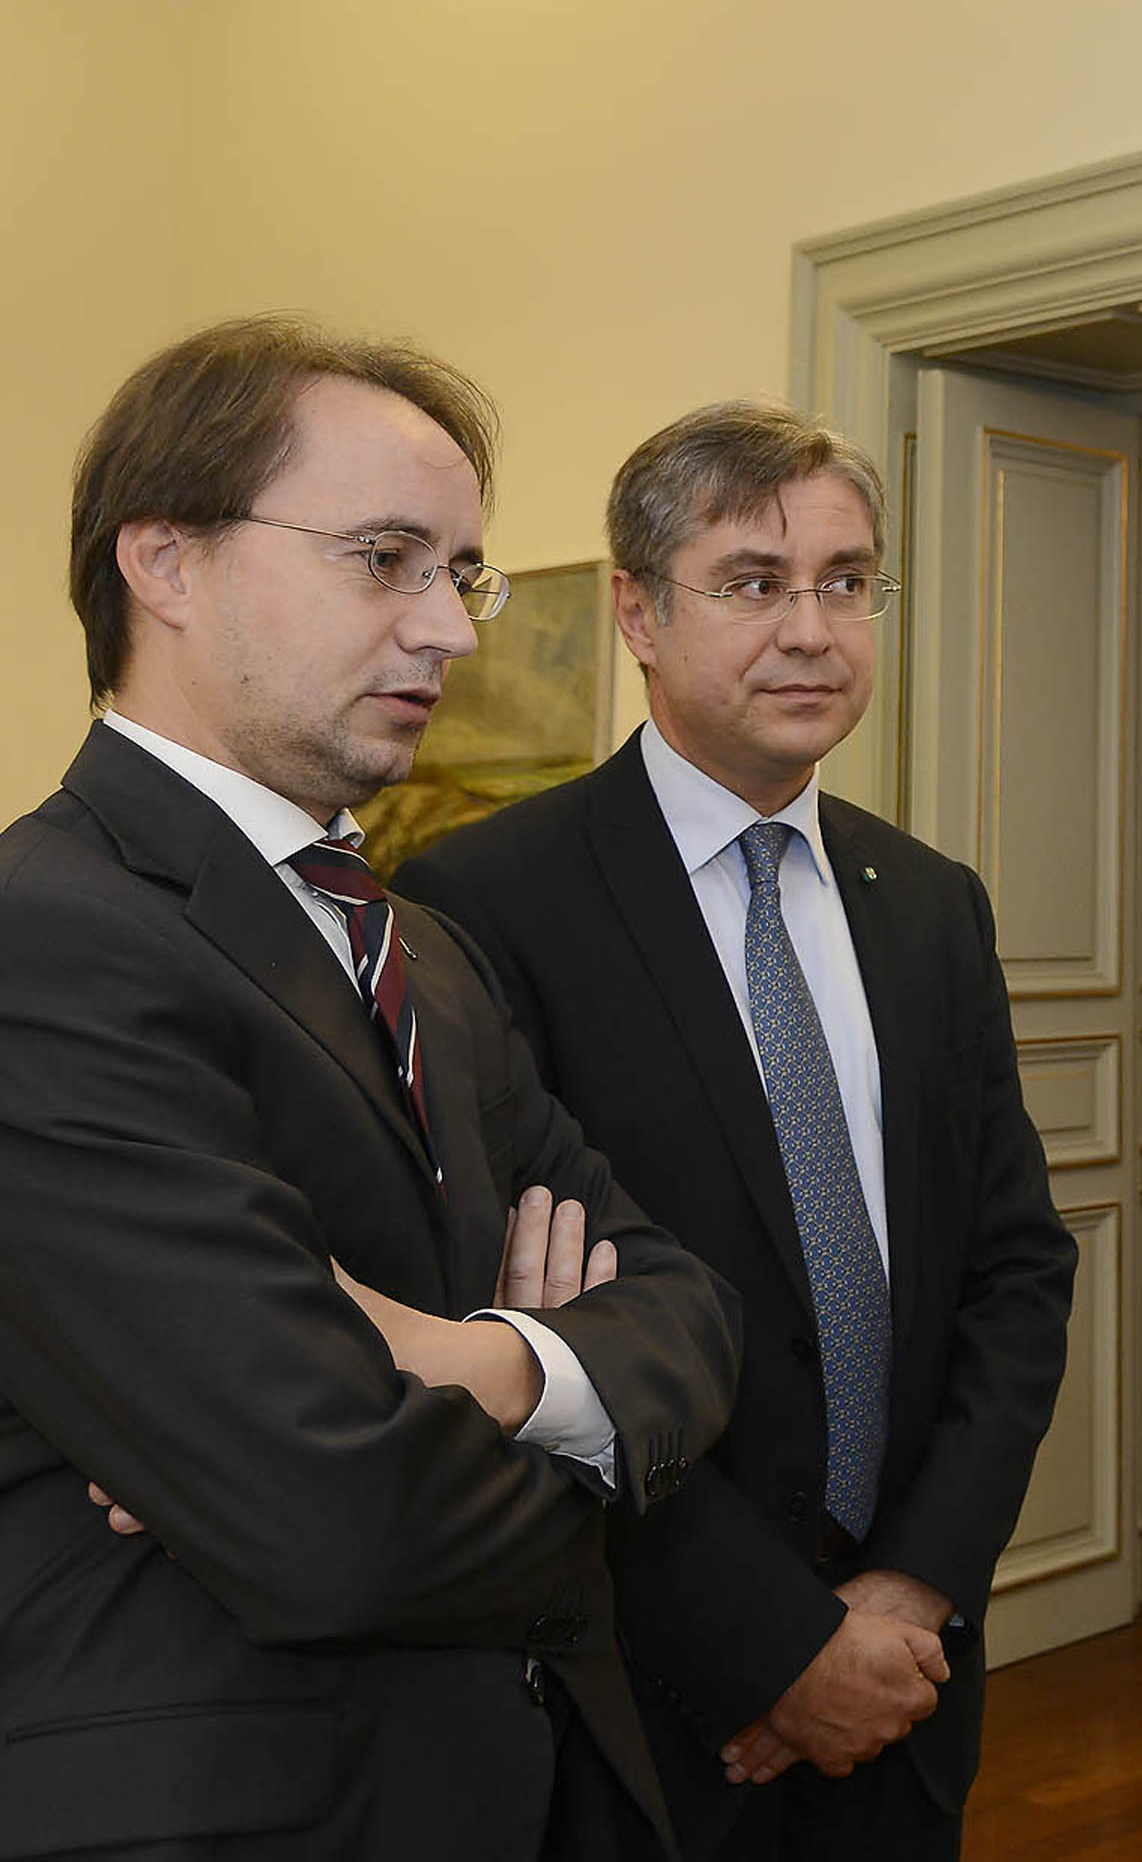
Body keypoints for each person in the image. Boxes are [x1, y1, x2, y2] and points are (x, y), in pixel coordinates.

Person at [0, 314, 739, 1860]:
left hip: (538, 1783)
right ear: (167, 563)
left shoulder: (425, 952)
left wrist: (476, 1366)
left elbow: (684, 1303)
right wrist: (581, 1431)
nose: (456, 631)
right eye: (387, 557)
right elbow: (326, 1522)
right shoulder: (45, 939)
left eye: (456, 573)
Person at [398, 399, 1078, 1860]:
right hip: (645, 1696)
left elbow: (1017, 1274)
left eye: (847, 582)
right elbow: (527, 1335)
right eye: (756, 584)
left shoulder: (934, 904)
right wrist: (772, 1650)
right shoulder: (487, 900)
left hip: (910, 1686)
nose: (815, 631)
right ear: (638, 612)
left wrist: (909, 1591)